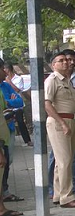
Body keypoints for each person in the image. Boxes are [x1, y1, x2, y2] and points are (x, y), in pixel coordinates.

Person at [44, 52, 75, 208]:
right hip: (59, 121)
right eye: (61, 61)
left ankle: (58, 193)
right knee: (65, 160)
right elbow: (47, 104)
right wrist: (62, 123)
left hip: (70, 119)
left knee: (62, 161)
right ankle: (67, 197)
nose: (66, 63)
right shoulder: (52, 80)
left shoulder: (67, 80)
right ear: (53, 65)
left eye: (67, 60)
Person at [0, 60, 23, 215]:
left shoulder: (5, 87)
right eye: (2, 69)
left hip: (6, 135)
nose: (5, 72)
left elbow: (19, 101)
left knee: (4, 170)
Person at [3, 64, 32, 147]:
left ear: (8, 70)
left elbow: (17, 90)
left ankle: (27, 140)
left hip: (17, 106)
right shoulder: (3, 81)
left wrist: (10, 82)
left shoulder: (18, 79)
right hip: (8, 107)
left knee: (20, 121)